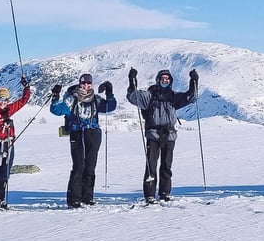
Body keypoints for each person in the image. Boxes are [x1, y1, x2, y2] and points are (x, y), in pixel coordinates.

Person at [126, 67, 198, 204]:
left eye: (167, 78)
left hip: (169, 135)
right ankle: (149, 194)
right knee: (151, 165)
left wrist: (194, 81)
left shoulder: (173, 96)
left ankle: (165, 193)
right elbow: (133, 97)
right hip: (153, 134)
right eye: (163, 78)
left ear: (170, 81)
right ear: (158, 80)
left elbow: (191, 97)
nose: (165, 80)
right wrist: (132, 80)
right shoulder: (150, 95)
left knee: (166, 165)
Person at [50, 74, 118, 208]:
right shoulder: (72, 99)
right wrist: (55, 96)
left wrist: (110, 93)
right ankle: (74, 198)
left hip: (93, 133)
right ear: (79, 83)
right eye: (83, 83)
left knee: (90, 166)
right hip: (77, 133)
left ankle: (88, 197)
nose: (86, 86)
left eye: (88, 83)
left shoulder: (95, 99)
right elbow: (56, 110)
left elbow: (110, 107)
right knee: (79, 165)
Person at [0, 77, 32, 211]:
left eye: (5, 100)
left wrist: (26, 88)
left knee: (5, 172)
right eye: (1, 99)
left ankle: (1, 199)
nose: (3, 102)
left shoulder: (8, 109)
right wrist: (1, 126)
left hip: (8, 144)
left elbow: (23, 101)